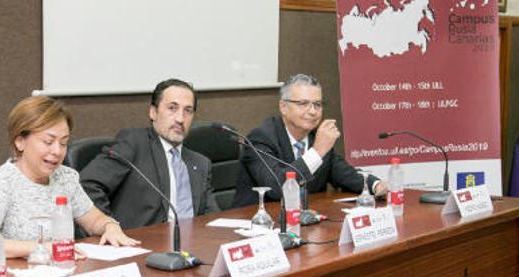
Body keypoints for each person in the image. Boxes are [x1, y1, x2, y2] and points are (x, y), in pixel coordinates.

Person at [0, 95, 139, 258]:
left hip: (63, 273)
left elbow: (93, 220)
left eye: (63, 143)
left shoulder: (65, 177)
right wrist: (44, 248)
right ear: (20, 141)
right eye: (48, 142)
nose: (57, 151)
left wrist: (110, 226)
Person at [79, 78, 220, 229]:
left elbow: (212, 217)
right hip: (141, 245)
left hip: (191, 246)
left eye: (188, 111)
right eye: (172, 108)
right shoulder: (133, 144)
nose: (180, 119)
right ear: (153, 112)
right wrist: (108, 227)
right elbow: (87, 185)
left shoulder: (200, 163)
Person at [232, 74, 388, 207]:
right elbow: (276, 188)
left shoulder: (315, 137)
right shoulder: (260, 138)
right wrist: (317, 151)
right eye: (303, 104)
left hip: (306, 221)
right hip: (258, 226)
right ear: (283, 107)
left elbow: (345, 174)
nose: (313, 111)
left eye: (317, 104)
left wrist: (376, 184)